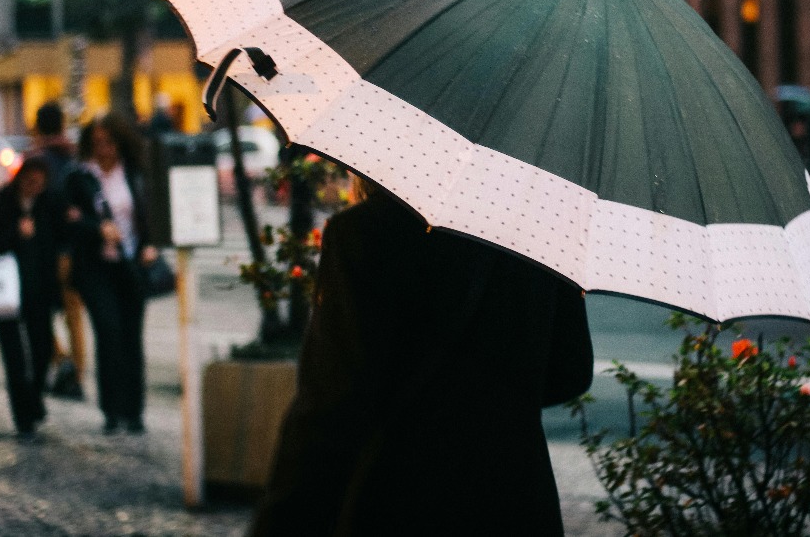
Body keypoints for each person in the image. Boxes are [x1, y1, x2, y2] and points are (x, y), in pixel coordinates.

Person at [251, 180, 594, 536]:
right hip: (514, 501)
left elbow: (333, 407)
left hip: (402, 501)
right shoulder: (541, 236)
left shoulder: (365, 232)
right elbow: (571, 370)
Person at [64, 112, 157, 435]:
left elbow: (149, 214)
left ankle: (134, 412)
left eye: (109, 142)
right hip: (96, 268)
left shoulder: (133, 173)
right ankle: (111, 410)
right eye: (97, 142)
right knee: (108, 333)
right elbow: (70, 220)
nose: (104, 149)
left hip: (131, 265)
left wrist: (150, 245)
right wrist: (96, 228)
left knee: (132, 337)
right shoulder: (81, 177)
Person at [0, 156, 64, 440]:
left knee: (42, 351)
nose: (34, 187)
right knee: (14, 357)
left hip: (39, 290)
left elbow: (57, 241)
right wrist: (15, 234)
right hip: (5, 290)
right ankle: (23, 417)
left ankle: (34, 399)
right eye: (30, 181)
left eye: (40, 182)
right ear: (21, 177)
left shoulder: (48, 204)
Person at [31, 101, 86, 400]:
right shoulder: (74, 158)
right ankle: (76, 374)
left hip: (46, 250)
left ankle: (62, 361)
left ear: (38, 127)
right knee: (73, 314)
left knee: (37, 311)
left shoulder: (36, 163)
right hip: (74, 248)